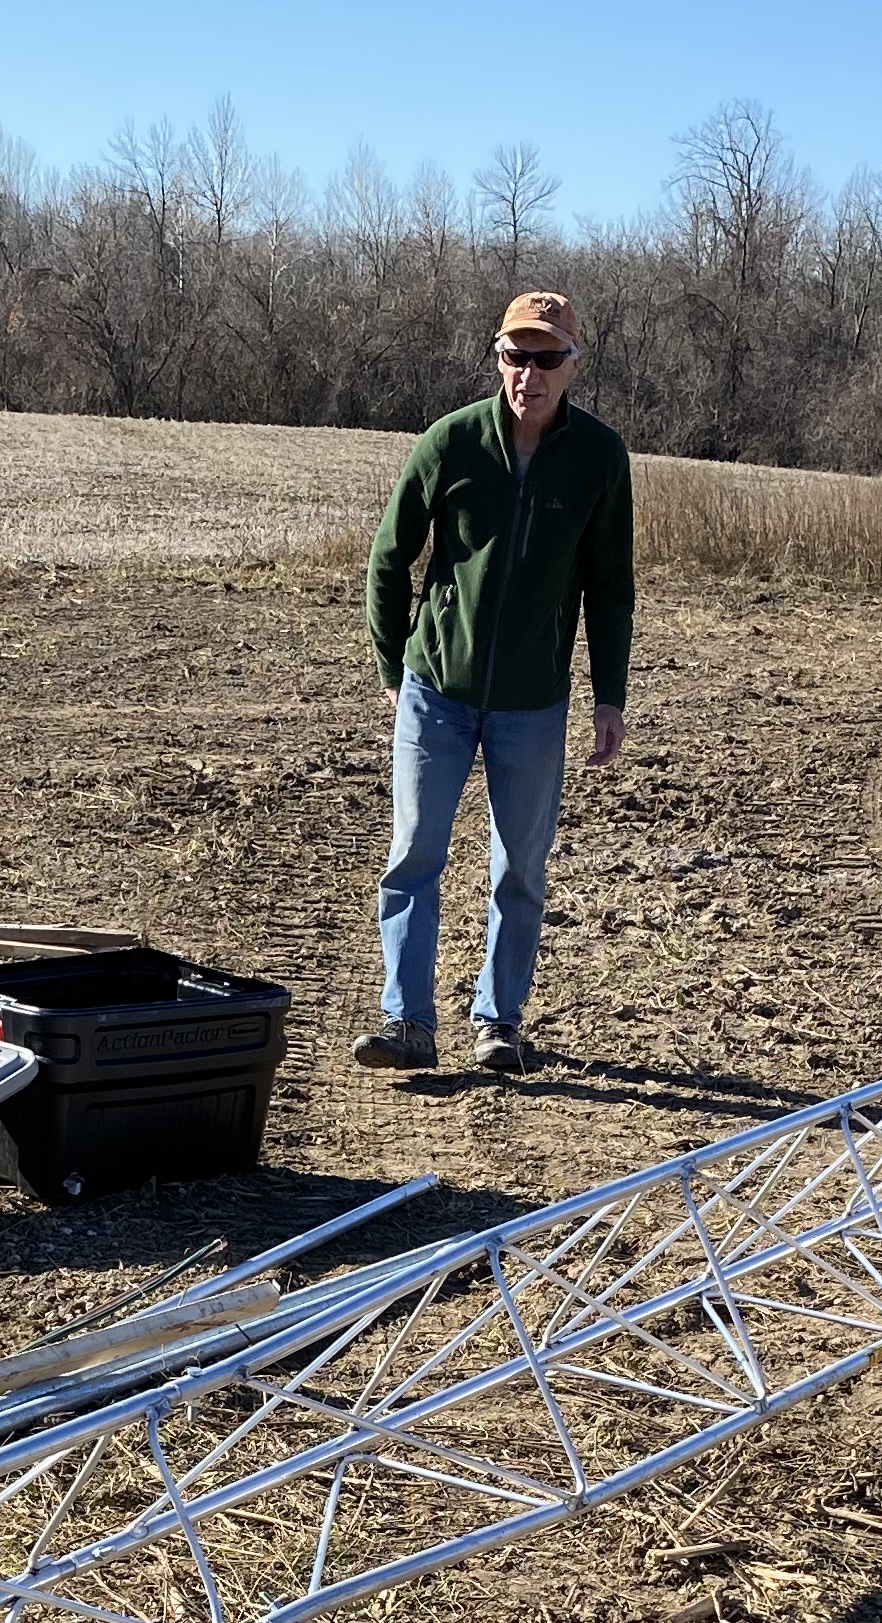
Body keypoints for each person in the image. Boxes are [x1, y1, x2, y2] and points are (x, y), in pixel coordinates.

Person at [357, 291, 635, 1077]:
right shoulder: (451, 443)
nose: (530, 373)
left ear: (573, 366)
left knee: (521, 868)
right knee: (414, 856)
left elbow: (611, 585)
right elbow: (389, 558)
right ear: (498, 360)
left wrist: (607, 694)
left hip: (533, 704)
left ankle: (499, 1022)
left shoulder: (598, 458)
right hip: (436, 691)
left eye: (548, 358)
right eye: (517, 356)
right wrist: (391, 666)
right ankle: (407, 1022)